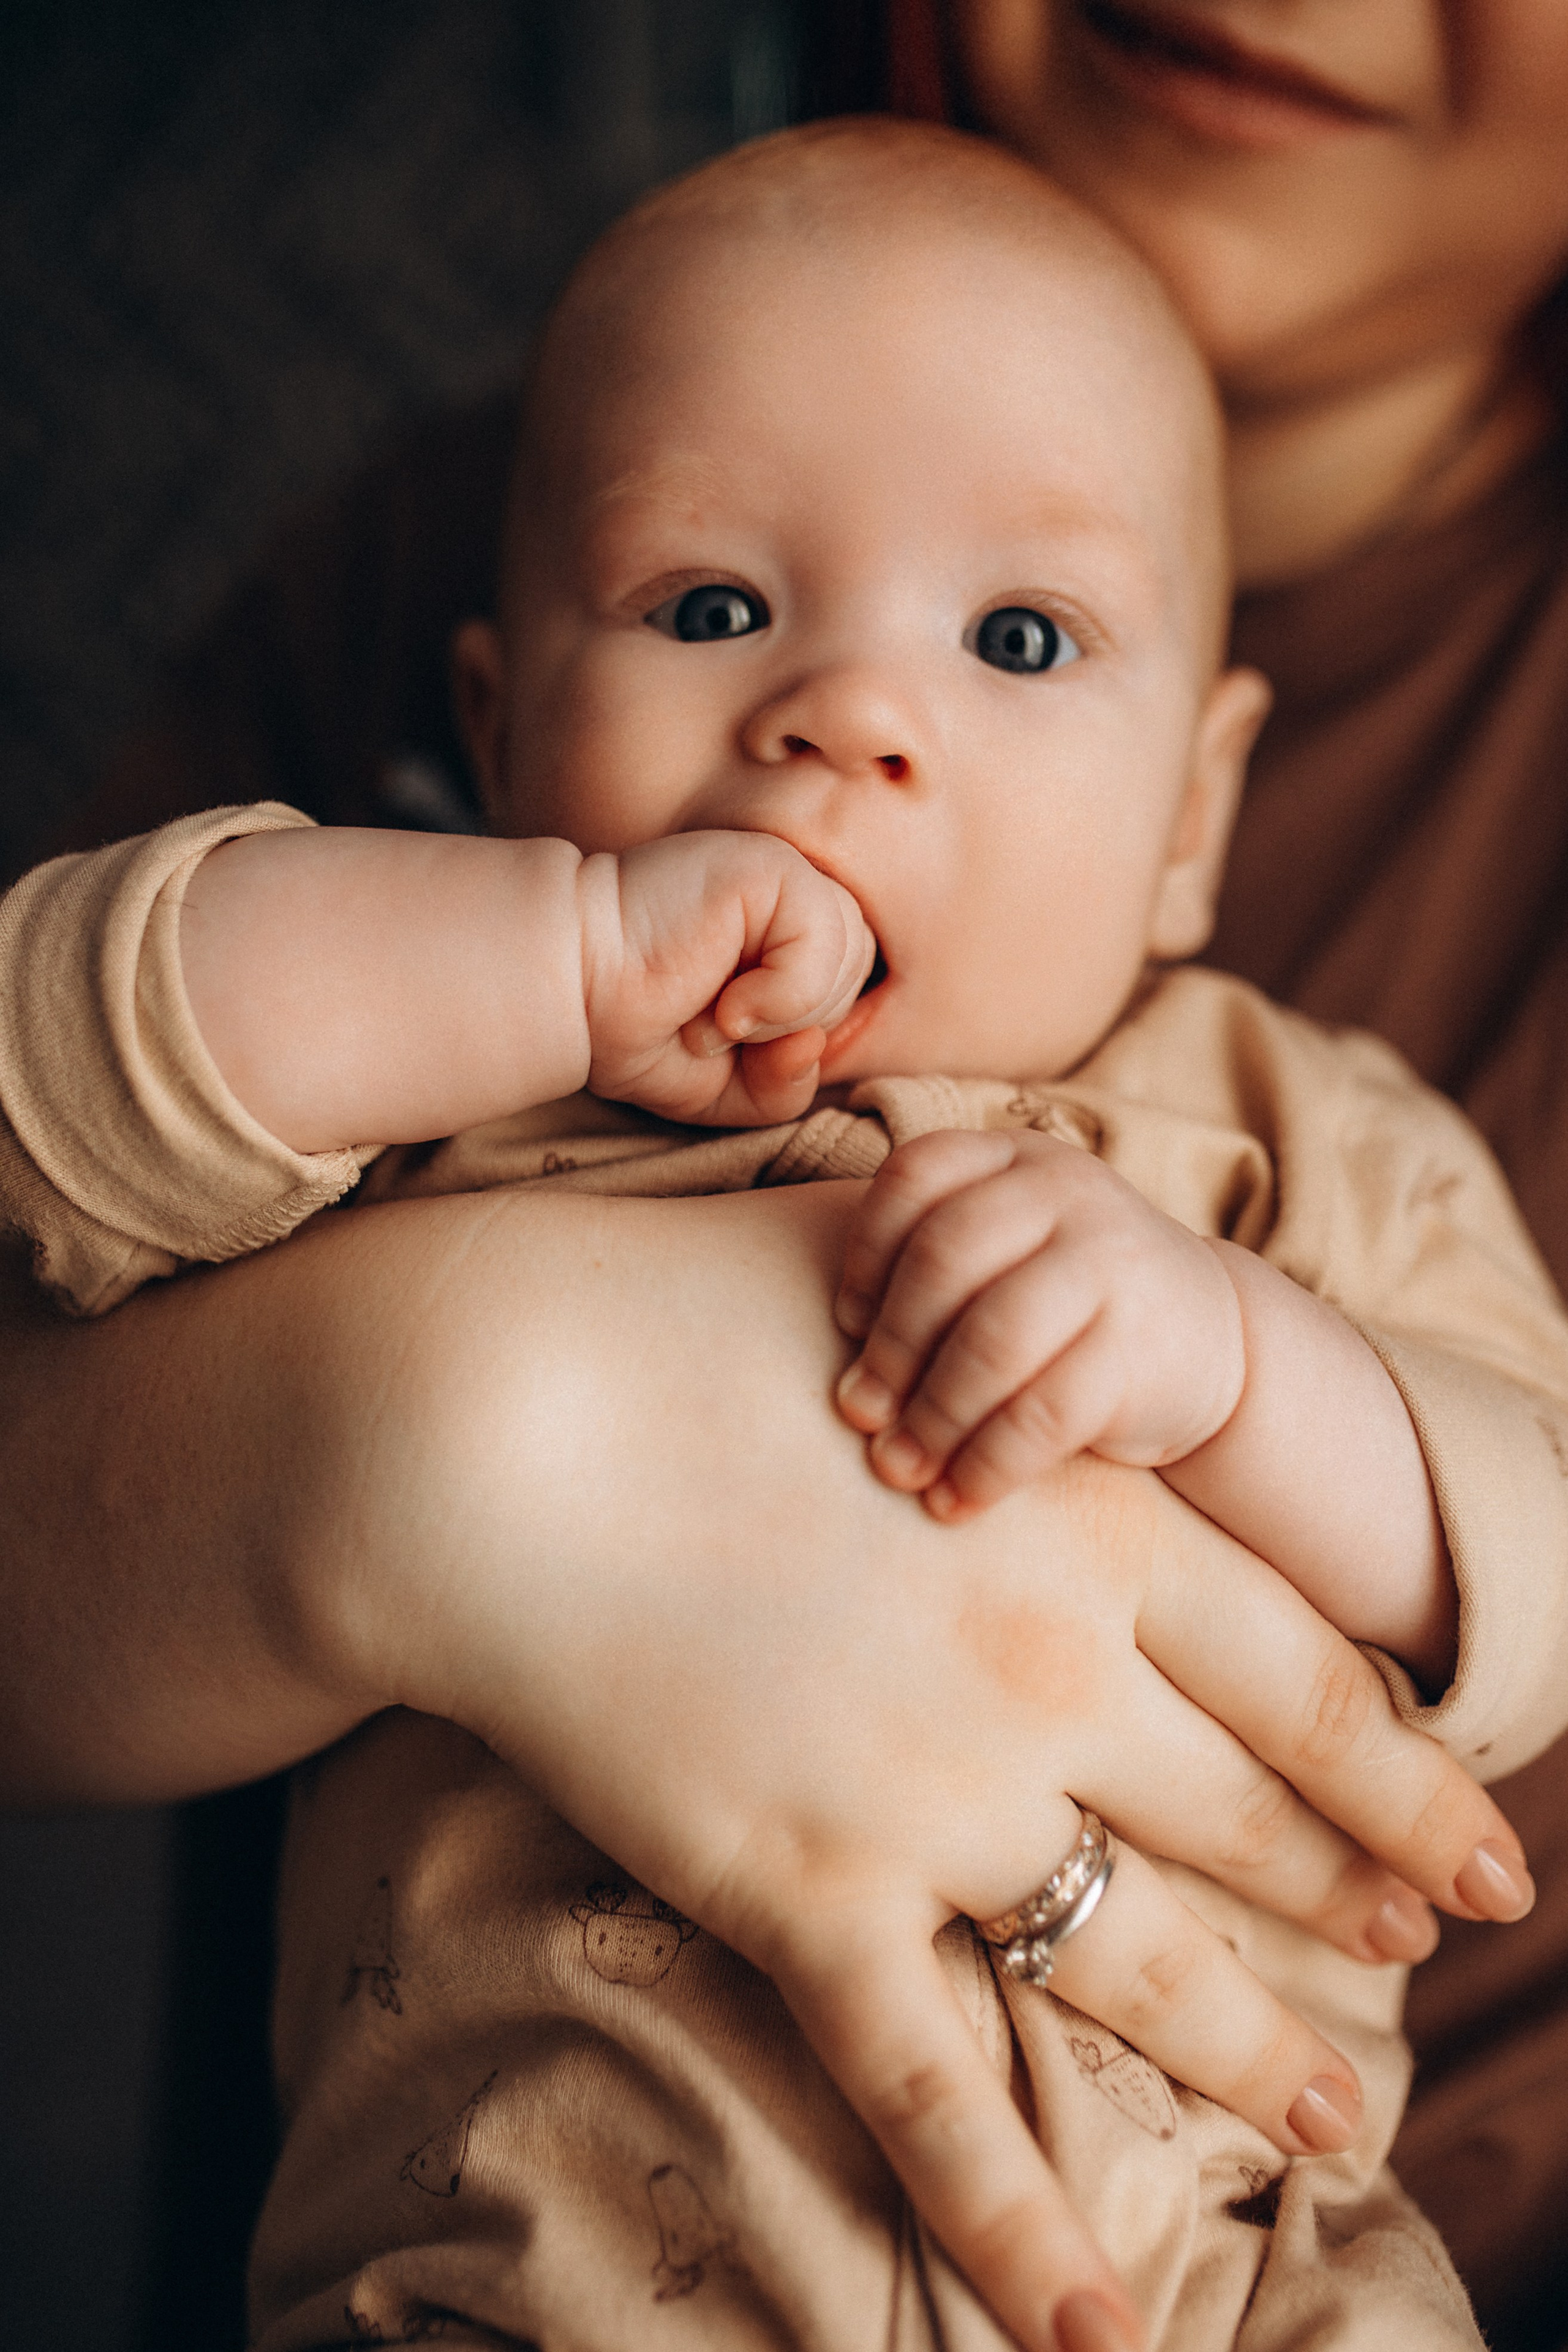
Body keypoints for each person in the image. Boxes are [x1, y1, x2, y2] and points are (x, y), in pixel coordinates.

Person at [6, 121, 1566, 2351]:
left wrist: (1237, 1363)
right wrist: (510, 953)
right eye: (713, 608)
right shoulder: (433, 1092)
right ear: (499, 718)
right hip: (515, 2293)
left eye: (1021, 636)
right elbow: (42, 1101)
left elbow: (1539, 1557)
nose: (847, 714)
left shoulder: (1293, 1145)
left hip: (1238, 2281)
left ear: (1195, 822)